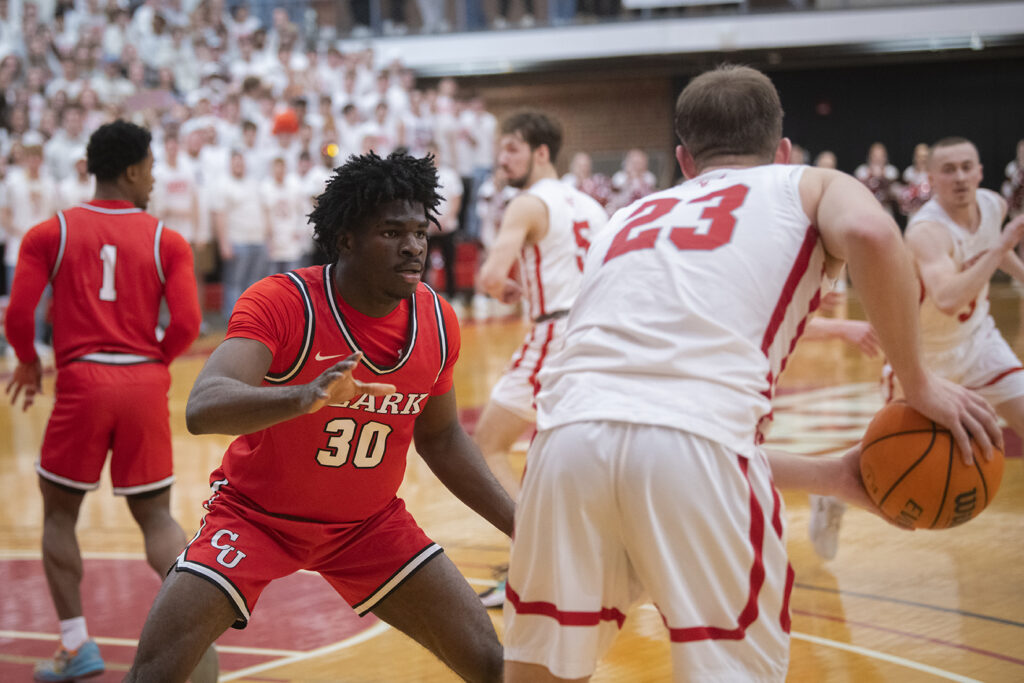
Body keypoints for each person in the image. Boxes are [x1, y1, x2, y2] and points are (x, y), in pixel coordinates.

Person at [502, 65, 1002, 682]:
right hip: (696, 453)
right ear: (782, 150)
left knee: (539, 673)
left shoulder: (626, 220)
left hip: (560, 450)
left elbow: (636, 412)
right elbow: (874, 231)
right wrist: (919, 382)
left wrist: (833, 476)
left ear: (685, 160)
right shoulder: (808, 184)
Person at [124, 151, 515, 683]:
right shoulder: (284, 303)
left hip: (368, 526)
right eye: (392, 232)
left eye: (420, 232)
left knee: (492, 664)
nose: (413, 246)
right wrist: (303, 397)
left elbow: (443, 438)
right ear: (347, 239)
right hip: (256, 518)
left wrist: (522, 526)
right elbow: (203, 405)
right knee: (155, 671)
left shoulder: (439, 320)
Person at [4, 120, 206, 682]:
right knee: (156, 516)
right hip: (143, 379)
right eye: (152, 168)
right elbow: (188, 322)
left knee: (60, 513)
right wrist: (154, 363)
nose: (156, 180)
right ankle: (195, 627)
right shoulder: (168, 238)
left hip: (82, 382)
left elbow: (19, 315)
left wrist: (25, 358)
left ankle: (76, 646)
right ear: (133, 169)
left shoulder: (51, 233)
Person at [813, 136, 1024, 559]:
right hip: (922, 358)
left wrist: (1014, 264)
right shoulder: (926, 231)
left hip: (980, 344)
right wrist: (1002, 246)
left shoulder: (993, 207)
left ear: (981, 172)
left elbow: (992, 249)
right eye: (949, 170)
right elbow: (947, 297)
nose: (960, 177)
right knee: (889, 460)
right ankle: (832, 496)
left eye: (968, 167)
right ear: (931, 178)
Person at [474, 110, 608, 607]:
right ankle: (589, 558)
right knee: (570, 456)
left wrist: (506, 289)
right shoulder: (593, 207)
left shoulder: (527, 204)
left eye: (511, 148)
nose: (501, 158)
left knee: (485, 447)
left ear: (541, 152)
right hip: (601, 333)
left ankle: (535, 559)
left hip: (556, 331)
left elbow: (491, 277)